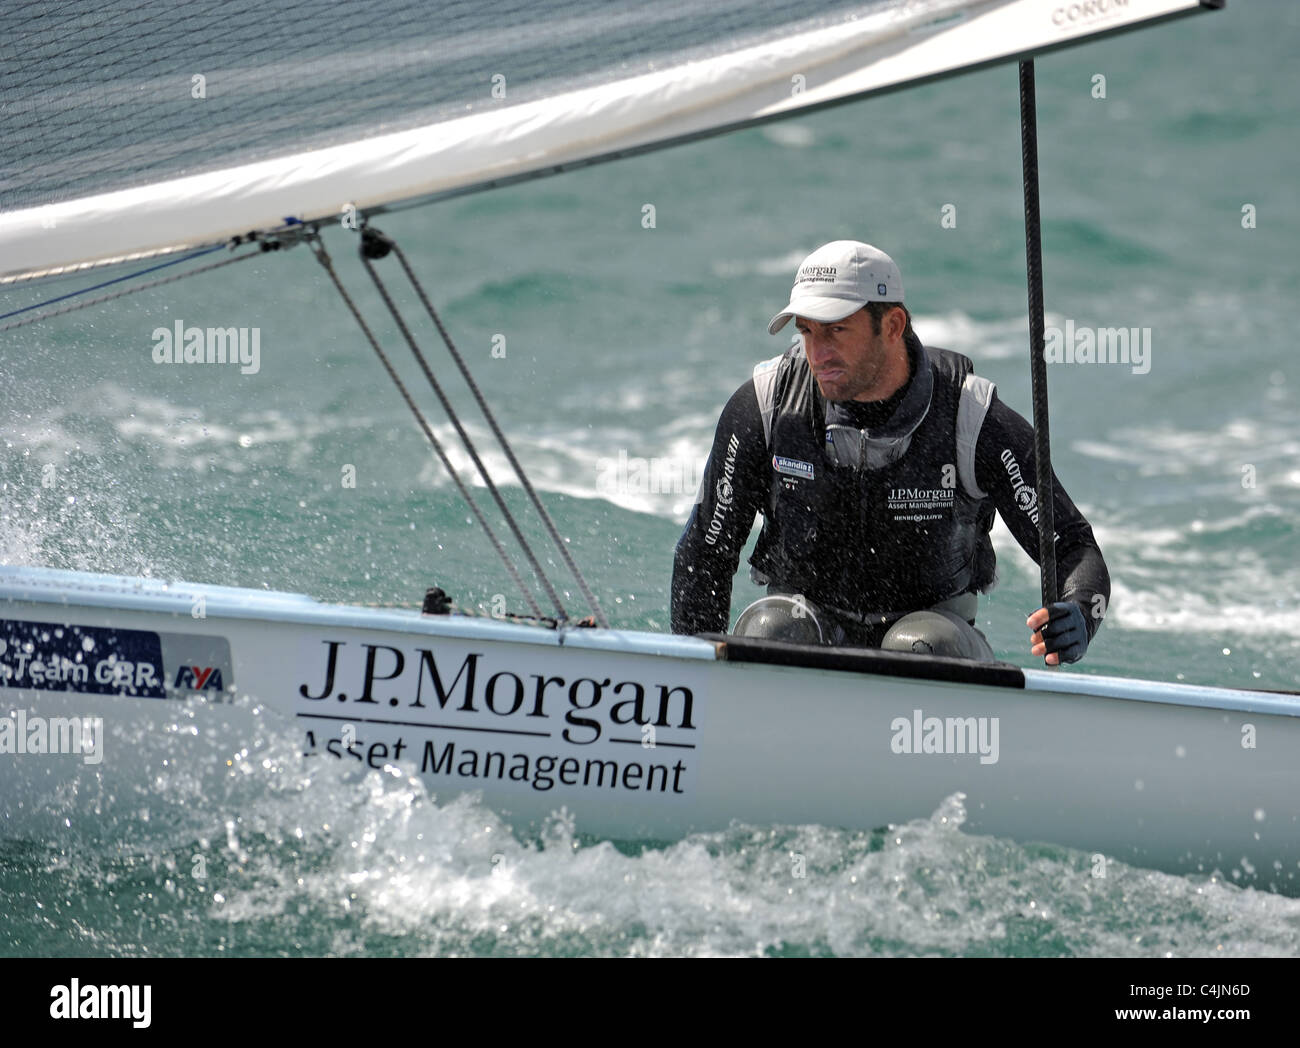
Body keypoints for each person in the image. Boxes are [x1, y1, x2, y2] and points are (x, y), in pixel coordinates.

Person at [670, 240, 1109, 664]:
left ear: (893, 325)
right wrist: (688, 678)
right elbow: (704, 554)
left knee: (919, 643)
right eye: (807, 332)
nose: (817, 353)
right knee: (770, 629)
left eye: (836, 330)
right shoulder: (766, 407)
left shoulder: (972, 418)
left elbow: (1072, 545)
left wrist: (1078, 614)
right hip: (805, 625)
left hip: (934, 637)